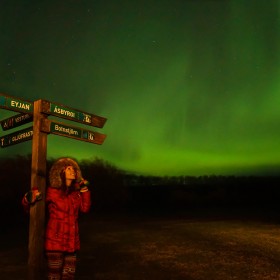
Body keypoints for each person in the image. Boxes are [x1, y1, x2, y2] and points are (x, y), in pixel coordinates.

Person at [22, 157, 91, 280]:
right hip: (55, 242)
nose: (72, 171)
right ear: (60, 172)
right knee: (54, 276)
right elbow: (30, 207)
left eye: (73, 169)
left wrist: (84, 190)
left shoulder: (75, 194)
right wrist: (28, 198)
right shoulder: (51, 191)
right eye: (68, 168)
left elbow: (85, 209)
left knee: (69, 276)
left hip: (72, 243)